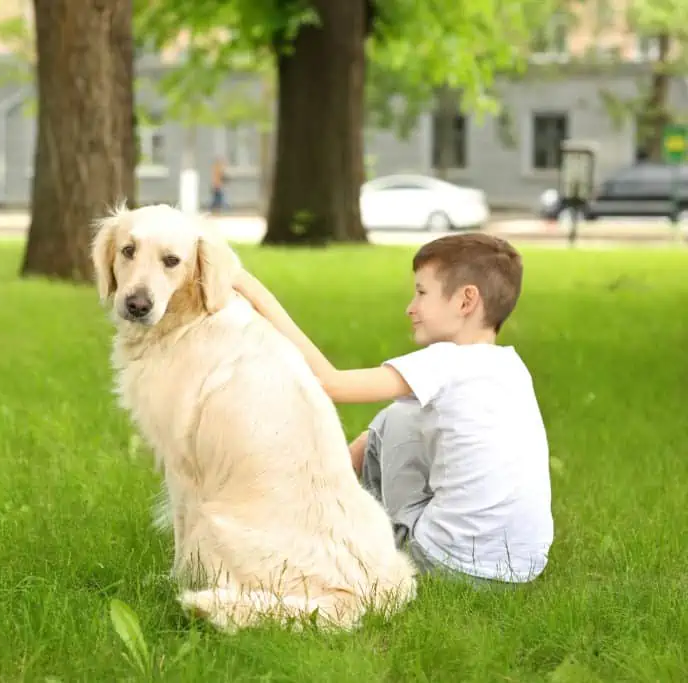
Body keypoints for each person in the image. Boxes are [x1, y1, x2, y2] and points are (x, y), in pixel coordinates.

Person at [232, 233, 553, 584]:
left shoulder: (446, 362)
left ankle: (317, 515)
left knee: (393, 420)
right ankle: (317, 499)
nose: (410, 307)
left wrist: (250, 290)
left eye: (422, 292)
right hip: (522, 568)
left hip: (447, 564)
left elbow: (330, 383)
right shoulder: (509, 366)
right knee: (399, 417)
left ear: (466, 301)